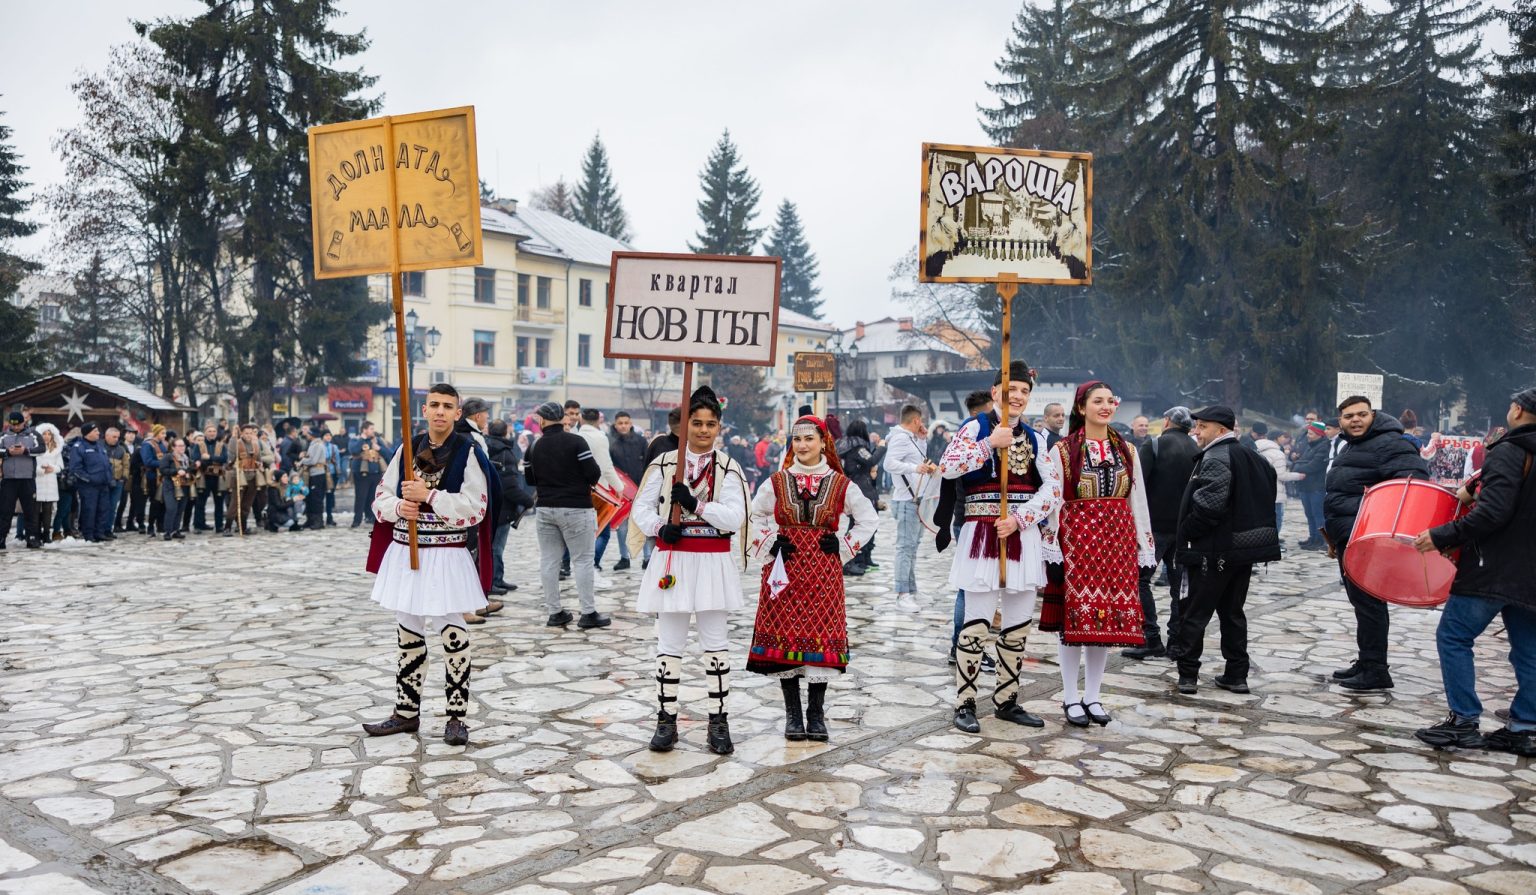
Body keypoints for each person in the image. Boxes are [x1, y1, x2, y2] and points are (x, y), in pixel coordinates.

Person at [361, 383, 499, 747]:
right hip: (407, 551)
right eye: (434, 404)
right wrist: (397, 508)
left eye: (447, 406)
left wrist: (430, 496)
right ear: (425, 410)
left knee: (452, 632)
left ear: (457, 413)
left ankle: (456, 716)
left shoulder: (468, 452)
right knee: (407, 630)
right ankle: (406, 713)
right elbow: (381, 495)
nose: (440, 411)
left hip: (446, 553)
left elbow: (476, 507)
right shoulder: (409, 447)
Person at [939, 361, 1063, 733]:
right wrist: (988, 444)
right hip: (981, 532)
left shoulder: (1038, 438)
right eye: (1012, 391)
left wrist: (1022, 518)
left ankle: (1007, 699)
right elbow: (948, 467)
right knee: (976, 621)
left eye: (1025, 392)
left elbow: (1052, 488)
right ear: (995, 393)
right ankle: (965, 703)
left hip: (1020, 534)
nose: (1019, 397)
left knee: (1017, 622)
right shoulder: (974, 427)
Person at [1413, 387, 1536, 757]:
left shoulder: (1511, 450)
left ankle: (1464, 721)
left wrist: (1441, 535)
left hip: (1493, 567)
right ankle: (1524, 726)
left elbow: (1494, 513)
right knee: (1529, 650)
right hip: (1531, 574)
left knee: (1454, 636)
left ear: (1517, 410)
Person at [632, 386, 751, 755]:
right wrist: (657, 527)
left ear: (719, 427)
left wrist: (697, 504)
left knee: (715, 641)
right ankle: (666, 720)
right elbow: (641, 507)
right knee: (670, 642)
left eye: (710, 424)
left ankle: (719, 720)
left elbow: (735, 516)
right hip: (675, 558)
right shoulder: (665, 463)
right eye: (696, 423)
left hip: (712, 560)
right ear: (684, 426)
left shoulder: (730, 468)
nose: (702, 430)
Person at [747, 413, 878, 741]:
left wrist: (845, 547)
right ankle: (793, 713)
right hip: (784, 570)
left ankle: (815, 714)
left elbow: (868, 518)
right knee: (785, 639)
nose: (802, 445)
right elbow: (753, 514)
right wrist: (769, 542)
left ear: (823, 442)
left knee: (821, 639)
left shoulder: (839, 484)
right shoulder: (777, 481)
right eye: (797, 439)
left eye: (809, 438)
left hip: (824, 572)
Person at [1043, 381, 1155, 727]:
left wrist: (1144, 547)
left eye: (1110, 401)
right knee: (1074, 623)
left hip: (1116, 545)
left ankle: (1093, 695)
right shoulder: (1062, 451)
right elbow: (1053, 502)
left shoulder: (1128, 451)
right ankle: (1069, 696)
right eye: (1098, 401)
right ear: (1082, 408)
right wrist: (1052, 546)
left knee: (1103, 623)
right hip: (1078, 544)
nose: (1106, 406)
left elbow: (1137, 500)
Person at [1165, 405, 1280, 694]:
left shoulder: (1216, 456)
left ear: (1220, 429)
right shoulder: (1254, 456)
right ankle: (1236, 674)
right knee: (1232, 613)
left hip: (1212, 553)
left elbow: (1208, 507)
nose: (1196, 432)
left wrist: (1187, 532)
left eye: (1202, 427)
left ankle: (1188, 675)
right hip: (1241, 552)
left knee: (1195, 612)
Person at [1323, 396, 1429, 691]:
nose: (1354, 420)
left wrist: (1371, 511)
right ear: (1341, 421)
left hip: (1369, 537)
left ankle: (1376, 670)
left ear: (1374, 415)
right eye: (1347, 416)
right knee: (1362, 603)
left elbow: (1411, 485)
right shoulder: (1355, 445)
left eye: (1361, 414)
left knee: (1369, 604)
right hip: (1351, 536)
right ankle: (1368, 661)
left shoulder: (1392, 444)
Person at [522, 401, 610, 630]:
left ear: (541, 421)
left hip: (545, 508)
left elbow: (530, 480)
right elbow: (593, 473)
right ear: (563, 419)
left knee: (549, 561)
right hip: (576, 508)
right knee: (582, 560)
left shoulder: (534, 447)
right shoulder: (576, 442)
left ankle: (555, 612)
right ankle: (588, 613)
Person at [1124, 406, 1199, 660]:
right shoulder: (1198, 450)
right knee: (1180, 587)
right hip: (1184, 529)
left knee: (1140, 580)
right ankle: (1176, 643)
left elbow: (1138, 485)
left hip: (1153, 528)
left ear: (1166, 421)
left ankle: (1151, 638)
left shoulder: (1153, 446)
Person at [884, 404, 938, 612]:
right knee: (905, 548)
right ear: (916, 420)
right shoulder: (899, 437)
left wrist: (922, 440)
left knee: (913, 547)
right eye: (921, 421)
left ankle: (911, 589)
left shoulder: (910, 438)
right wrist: (914, 468)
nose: (922, 425)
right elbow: (889, 463)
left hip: (916, 498)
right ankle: (902, 593)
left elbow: (918, 459)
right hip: (906, 500)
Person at [485, 418, 531, 596]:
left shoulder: (485, 447)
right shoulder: (505, 452)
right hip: (503, 507)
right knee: (497, 547)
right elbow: (509, 485)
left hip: (490, 504)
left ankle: (496, 578)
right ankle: (494, 580)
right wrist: (527, 500)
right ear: (506, 432)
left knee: (493, 546)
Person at [601, 410, 647, 573]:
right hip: (620, 490)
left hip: (640, 488)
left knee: (644, 524)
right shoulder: (609, 442)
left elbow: (647, 464)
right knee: (622, 526)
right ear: (615, 424)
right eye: (620, 423)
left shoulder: (641, 441)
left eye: (626, 423)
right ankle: (624, 557)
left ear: (631, 423)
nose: (623, 426)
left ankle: (647, 558)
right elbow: (608, 466)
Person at [640, 408, 683, 567]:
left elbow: (645, 472)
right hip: (664, 508)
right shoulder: (684, 446)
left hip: (658, 507)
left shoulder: (657, 443)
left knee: (658, 558)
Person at [836, 420, 880, 576]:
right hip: (859, 488)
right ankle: (850, 561)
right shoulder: (857, 447)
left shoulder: (844, 445)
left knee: (858, 523)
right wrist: (881, 448)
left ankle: (861, 558)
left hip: (856, 487)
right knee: (857, 524)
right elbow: (871, 460)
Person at [0, 411, 44, 549]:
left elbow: (42, 449)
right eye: (13, 425)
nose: (16, 428)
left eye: (18, 425)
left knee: (30, 510)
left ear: (23, 423)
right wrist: (7, 452)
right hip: (9, 479)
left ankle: (32, 538)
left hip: (27, 479)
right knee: (5, 510)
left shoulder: (33, 434)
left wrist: (25, 451)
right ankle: (1, 537)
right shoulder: (3, 436)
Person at [69, 423, 114, 543]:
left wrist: (109, 477)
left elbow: (107, 464)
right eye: (95, 431)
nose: (98, 433)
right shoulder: (79, 446)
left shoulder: (100, 446)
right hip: (89, 486)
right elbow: (75, 468)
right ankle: (88, 534)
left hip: (103, 484)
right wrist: (89, 479)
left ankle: (99, 532)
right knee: (90, 510)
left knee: (103, 509)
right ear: (88, 433)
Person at [1252, 424, 1301, 534]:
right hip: (1275, 492)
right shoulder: (1277, 453)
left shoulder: (1256, 449)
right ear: (1277, 438)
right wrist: (1298, 475)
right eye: (1283, 437)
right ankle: (1273, 542)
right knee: (1276, 519)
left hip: (1259, 490)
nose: (1285, 439)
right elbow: (1281, 475)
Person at [1292, 420, 1331, 550]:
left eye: (1311, 433)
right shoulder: (1311, 445)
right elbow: (1302, 460)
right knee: (1309, 514)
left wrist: (1298, 468)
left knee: (1318, 515)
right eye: (1308, 433)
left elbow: (1315, 465)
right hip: (1305, 486)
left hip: (1316, 487)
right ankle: (1313, 537)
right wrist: (1299, 465)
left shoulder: (1324, 446)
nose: (1308, 435)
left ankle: (1322, 540)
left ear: (1319, 434)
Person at [231, 424, 274, 534]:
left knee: (247, 504)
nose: (248, 435)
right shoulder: (237, 443)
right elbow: (230, 458)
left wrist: (259, 464)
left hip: (253, 475)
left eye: (250, 433)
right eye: (246, 433)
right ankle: (228, 526)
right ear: (242, 433)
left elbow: (262, 459)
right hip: (240, 475)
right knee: (235, 503)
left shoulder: (256, 444)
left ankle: (243, 527)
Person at [191, 424, 230, 535]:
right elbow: (196, 459)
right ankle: (198, 525)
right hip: (204, 475)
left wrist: (210, 458)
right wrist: (210, 460)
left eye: (213, 431)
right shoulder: (199, 445)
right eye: (209, 431)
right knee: (200, 502)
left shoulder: (221, 445)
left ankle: (219, 526)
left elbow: (224, 458)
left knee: (219, 502)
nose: (212, 433)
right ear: (205, 433)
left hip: (218, 476)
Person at [350, 422, 387, 528]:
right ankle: (357, 520)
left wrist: (379, 448)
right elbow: (353, 450)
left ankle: (370, 518)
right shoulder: (356, 439)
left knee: (372, 497)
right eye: (371, 429)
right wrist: (362, 439)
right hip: (362, 473)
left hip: (376, 473)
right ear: (364, 430)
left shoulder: (377, 440)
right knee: (361, 497)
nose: (373, 431)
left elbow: (388, 453)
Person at [33, 423, 64, 541]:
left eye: (49, 434)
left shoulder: (56, 450)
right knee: (35, 511)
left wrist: (53, 469)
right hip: (37, 483)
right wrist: (40, 471)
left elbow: (60, 466)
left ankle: (46, 534)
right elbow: (31, 465)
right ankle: (35, 534)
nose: (46, 436)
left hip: (50, 484)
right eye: (44, 434)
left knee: (48, 511)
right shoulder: (35, 448)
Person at [160, 436, 193, 541]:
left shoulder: (186, 458)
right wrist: (176, 472)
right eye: (179, 446)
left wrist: (190, 471)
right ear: (173, 447)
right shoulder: (168, 457)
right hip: (170, 485)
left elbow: (189, 469)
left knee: (180, 509)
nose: (182, 448)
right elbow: (163, 470)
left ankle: (176, 530)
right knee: (171, 508)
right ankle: (167, 531)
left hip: (184, 485)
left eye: (183, 445)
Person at [301, 427, 328, 530]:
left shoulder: (317, 445)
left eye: (308, 433)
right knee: (310, 498)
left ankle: (318, 521)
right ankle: (310, 520)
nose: (307, 435)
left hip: (317, 474)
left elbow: (313, 461)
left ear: (312, 435)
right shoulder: (313, 444)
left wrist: (302, 460)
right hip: (312, 474)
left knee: (316, 498)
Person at [105, 427, 129, 536]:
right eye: (114, 437)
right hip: (104, 482)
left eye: (118, 437)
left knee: (113, 507)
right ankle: (100, 529)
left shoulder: (121, 449)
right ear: (107, 436)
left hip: (118, 482)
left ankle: (108, 529)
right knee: (103, 507)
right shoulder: (100, 447)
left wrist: (123, 478)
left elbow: (126, 465)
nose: (116, 439)